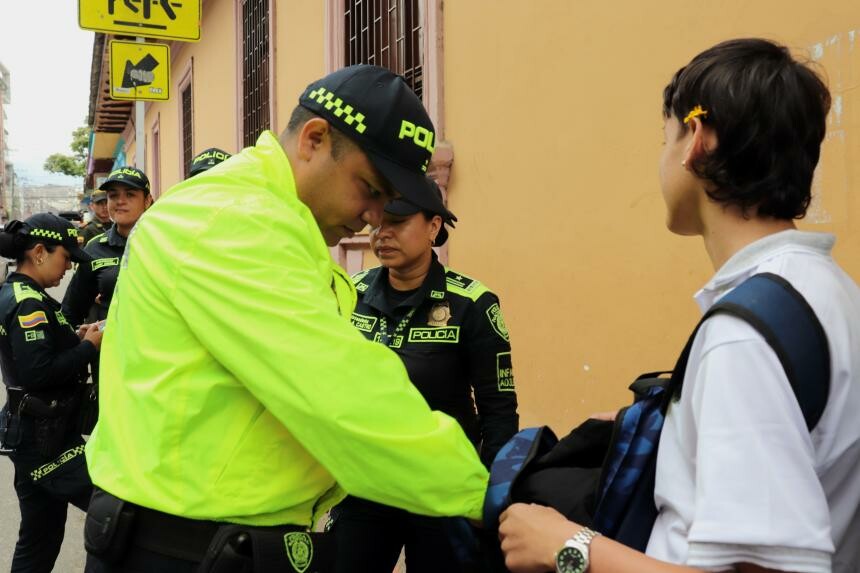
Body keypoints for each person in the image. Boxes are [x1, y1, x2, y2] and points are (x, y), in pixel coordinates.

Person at [83, 65, 489, 572]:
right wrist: (489, 497)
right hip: (182, 548)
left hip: (214, 540)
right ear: (314, 139)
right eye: (370, 188)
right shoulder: (236, 221)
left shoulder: (268, 218)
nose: (374, 215)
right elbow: (342, 395)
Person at [498, 38, 860, 573]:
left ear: (697, 140)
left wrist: (568, 547)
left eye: (665, 138)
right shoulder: (833, 293)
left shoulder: (743, 338)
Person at [332, 180, 519, 572]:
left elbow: (499, 411)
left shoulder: (472, 304)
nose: (382, 234)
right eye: (378, 224)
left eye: (397, 223)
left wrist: (492, 496)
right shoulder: (352, 293)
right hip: (366, 483)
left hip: (441, 488)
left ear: (434, 227)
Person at [0, 213, 104, 573]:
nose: (69, 268)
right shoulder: (27, 302)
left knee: (40, 539)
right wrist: (88, 348)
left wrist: (75, 337)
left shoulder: (25, 293)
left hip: (39, 431)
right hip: (43, 439)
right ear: (40, 252)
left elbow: (39, 351)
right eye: (66, 257)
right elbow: (38, 372)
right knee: (114, 511)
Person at [62, 166, 152, 328]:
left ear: (147, 200)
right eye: (113, 195)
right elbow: (71, 311)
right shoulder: (95, 248)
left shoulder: (165, 242)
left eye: (130, 194)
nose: (120, 201)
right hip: (112, 342)